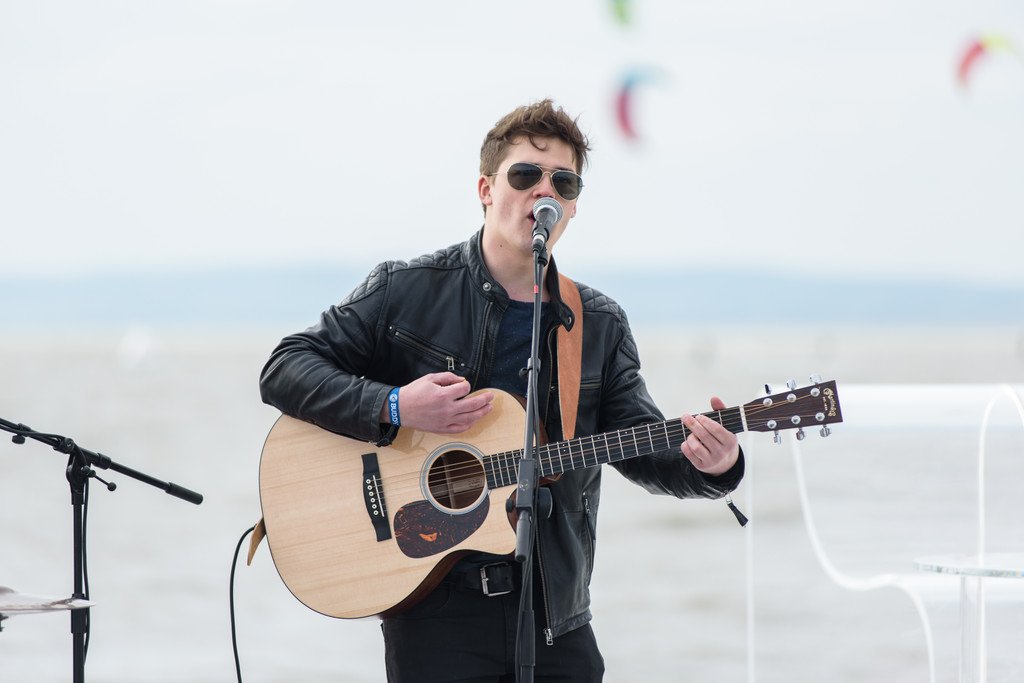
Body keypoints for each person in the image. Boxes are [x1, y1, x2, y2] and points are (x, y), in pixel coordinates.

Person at [259, 99, 744, 682]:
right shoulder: (406, 290)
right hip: (435, 613)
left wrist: (714, 467)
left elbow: (641, 446)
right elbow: (285, 368)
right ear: (486, 189)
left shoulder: (598, 323)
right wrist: (394, 406)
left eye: (563, 182)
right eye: (525, 175)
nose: (545, 192)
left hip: (553, 610)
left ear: (572, 207)